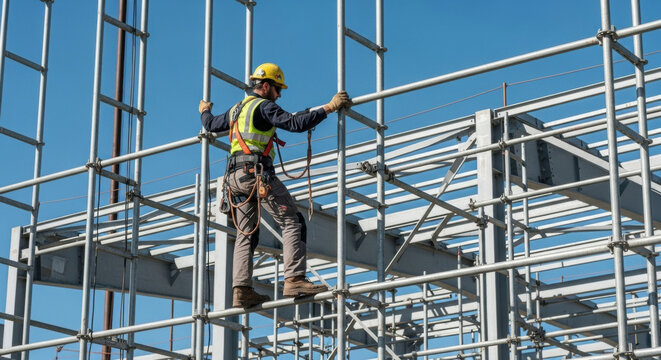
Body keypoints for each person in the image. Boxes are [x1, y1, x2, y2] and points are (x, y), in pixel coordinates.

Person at [199, 63, 350, 308]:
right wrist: (329, 108)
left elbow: (211, 124)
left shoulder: (237, 109)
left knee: (246, 233)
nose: (279, 95)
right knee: (292, 220)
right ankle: (294, 279)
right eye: (277, 89)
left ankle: (242, 290)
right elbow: (295, 124)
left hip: (234, 180)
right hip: (256, 174)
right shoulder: (264, 105)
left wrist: (204, 110)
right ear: (266, 86)